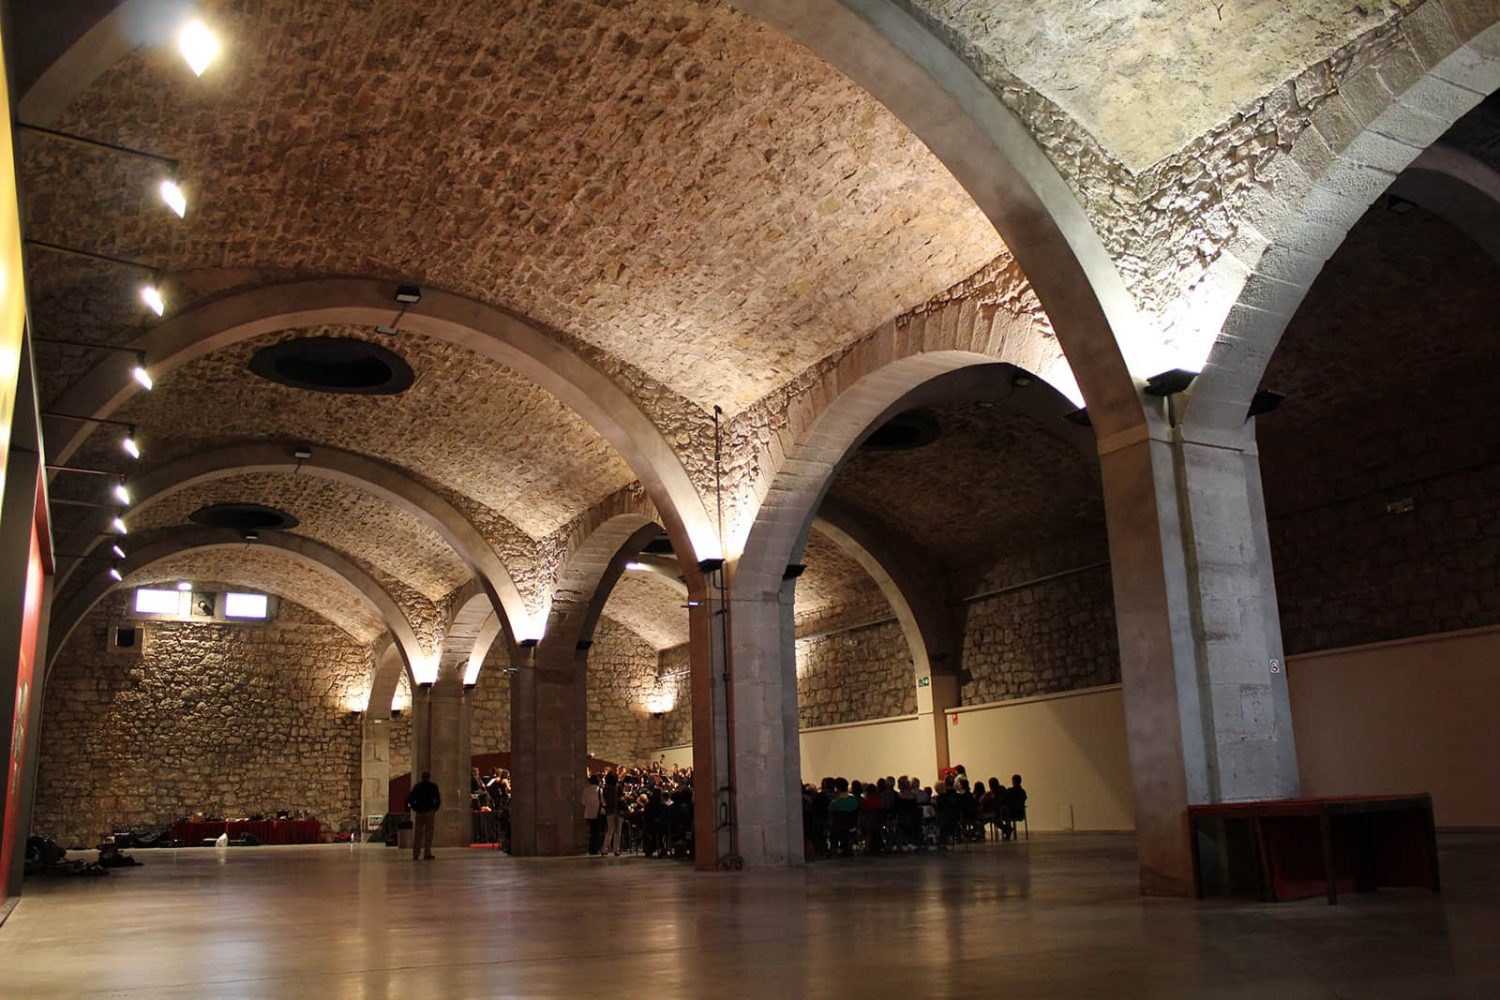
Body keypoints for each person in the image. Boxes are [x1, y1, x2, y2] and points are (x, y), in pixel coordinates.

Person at [406, 770, 441, 860]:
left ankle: (416, 853)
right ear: (429, 777)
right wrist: (435, 808)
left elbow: (410, 799)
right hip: (430, 811)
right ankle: (427, 852)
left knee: (418, 833)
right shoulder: (433, 787)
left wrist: (415, 808)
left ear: (422, 778)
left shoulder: (417, 787)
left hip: (420, 812)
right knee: (429, 833)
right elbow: (438, 799)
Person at [602, 771, 624, 856]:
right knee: (618, 831)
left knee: (610, 830)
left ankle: (604, 848)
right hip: (618, 810)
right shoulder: (618, 787)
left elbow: (604, 800)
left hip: (609, 810)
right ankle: (616, 849)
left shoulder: (605, 788)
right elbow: (621, 799)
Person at [583, 775, 605, 855]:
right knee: (597, 832)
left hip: (588, 813)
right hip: (597, 813)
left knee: (591, 831)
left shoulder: (586, 790)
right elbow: (603, 802)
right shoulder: (599, 790)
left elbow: (583, 802)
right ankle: (595, 848)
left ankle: (590, 848)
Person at [1003, 774, 1028, 840]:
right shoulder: (1023, 792)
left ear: (1013, 781)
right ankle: (1008, 829)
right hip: (1020, 813)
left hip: (1010, 813)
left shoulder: (1010, 791)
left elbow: (1004, 800)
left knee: (1004, 813)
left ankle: (1007, 829)